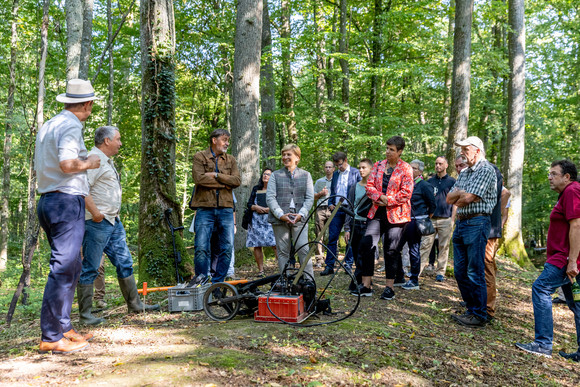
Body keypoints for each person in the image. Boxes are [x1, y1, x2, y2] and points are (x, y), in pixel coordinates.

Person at [36, 79, 101, 353]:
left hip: (50, 200)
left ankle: (63, 327)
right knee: (63, 267)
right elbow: (66, 164)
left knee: (72, 265)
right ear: (86, 104)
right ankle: (51, 337)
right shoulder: (72, 125)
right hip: (64, 200)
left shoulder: (51, 124)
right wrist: (90, 163)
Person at [78, 126, 159, 325]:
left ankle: (135, 304)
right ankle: (86, 315)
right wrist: (96, 214)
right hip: (96, 223)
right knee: (91, 267)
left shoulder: (106, 161)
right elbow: (81, 188)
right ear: (106, 141)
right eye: (118, 139)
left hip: (113, 222)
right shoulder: (93, 159)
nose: (120, 143)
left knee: (124, 261)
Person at [516, 160, 580, 361]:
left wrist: (572, 261)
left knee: (541, 288)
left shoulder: (572, 191)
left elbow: (576, 225)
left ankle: (543, 344)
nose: (549, 177)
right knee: (577, 303)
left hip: (564, 258)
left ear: (566, 177)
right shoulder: (568, 193)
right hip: (568, 258)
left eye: (553, 174)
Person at [446, 136, 497, 327]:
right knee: (460, 271)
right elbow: (449, 199)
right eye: (462, 149)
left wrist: (462, 195)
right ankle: (471, 308)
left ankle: (479, 314)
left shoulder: (486, 170)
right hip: (461, 223)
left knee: (475, 270)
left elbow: (466, 198)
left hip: (477, 223)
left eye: (466, 149)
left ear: (477, 150)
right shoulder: (465, 172)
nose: (462, 153)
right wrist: (461, 195)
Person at [358, 136, 414, 299]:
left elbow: (406, 192)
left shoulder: (406, 168)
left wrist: (388, 200)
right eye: (387, 148)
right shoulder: (378, 165)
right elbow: (369, 186)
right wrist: (379, 198)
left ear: (400, 151)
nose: (388, 152)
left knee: (391, 249)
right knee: (367, 244)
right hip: (376, 212)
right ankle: (366, 285)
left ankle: (389, 287)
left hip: (397, 215)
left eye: (392, 149)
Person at [191, 129, 241, 283]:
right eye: (224, 140)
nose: (227, 143)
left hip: (226, 209)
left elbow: (237, 181)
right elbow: (199, 179)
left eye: (228, 140)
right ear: (214, 140)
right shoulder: (200, 157)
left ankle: (217, 284)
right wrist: (225, 184)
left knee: (226, 248)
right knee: (201, 248)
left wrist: (217, 175)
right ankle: (202, 282)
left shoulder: (231, 159)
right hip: (204, 209)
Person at [266, 144, 314, 279]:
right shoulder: (275, 175)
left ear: (297, 157)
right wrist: (280, 215)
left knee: (303, 249)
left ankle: (309, 283)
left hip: (300, 218)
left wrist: (302, 214)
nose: (285, 157)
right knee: (283, 252)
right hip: (280, 219)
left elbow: (310, 198)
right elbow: (270, 197)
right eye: (284, 154)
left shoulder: (306, 175)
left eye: (289, 155)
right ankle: (284, 282)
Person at [321, 152, 361, 276]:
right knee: (332, 237)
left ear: (346, 160)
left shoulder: (355, 172)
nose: (339, 167)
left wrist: (357, 207)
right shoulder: (336, 174)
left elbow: (360, 189)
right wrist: (330, 203)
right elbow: (333, 190)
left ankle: (348, 264)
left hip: (351, 208)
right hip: (337, 208)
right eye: (337, 165)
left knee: (349, 237)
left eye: (340, 164)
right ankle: (329, 266)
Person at [420, 156, 456, 282]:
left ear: (446, 165)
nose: (437, 166)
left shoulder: (452, 181)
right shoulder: (429, 182)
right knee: (425, 244)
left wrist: (452, 219)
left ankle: (440, 272)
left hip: (445, 219)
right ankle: (417, 270)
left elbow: (455, 202)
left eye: (440, 163)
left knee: (443, 247)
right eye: (436, 164)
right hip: (430, 219)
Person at [401, 160, 436, 290]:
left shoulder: (424, 185)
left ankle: (414, 279)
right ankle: (399, 276)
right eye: (409, 167)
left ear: (420, 171)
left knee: (413, 249)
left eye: (414, 168)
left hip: (416, 222)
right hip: (402, 220)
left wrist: (425, 218)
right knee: (395, 247)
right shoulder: (405, 184)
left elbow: (433, 205)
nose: (410, 170)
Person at [485, 163, 511, 322]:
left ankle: (489, 309)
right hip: (482, 228)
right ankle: (480, 301)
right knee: (484, 266)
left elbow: (506, 193)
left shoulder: (490, 172)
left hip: (491, 230)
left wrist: (496, 218)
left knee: (487, 265)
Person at [343, 158, 373, 293]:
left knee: (365, 254)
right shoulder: (354, 187)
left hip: (369, 224)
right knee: (356, 254)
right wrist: (347, 228)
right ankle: (360, 281)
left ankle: (361, 282)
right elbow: (349, 207)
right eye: (359, 167)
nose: (361, 170)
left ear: (371, 169)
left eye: (364, 167)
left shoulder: (374, 188)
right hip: (355, 223)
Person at [245, 169, 277, 277]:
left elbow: (279, 204)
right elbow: (249, 204)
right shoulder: (256, 188)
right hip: (256, 221)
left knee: (275, 244)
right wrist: (255, 207)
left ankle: (281, 269)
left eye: (268, 174)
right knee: (256, 245)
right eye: (264, 174)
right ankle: (261, 270)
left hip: (270, 220)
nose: (266, 176)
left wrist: (269, 209)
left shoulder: (275, 189)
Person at [313, 161, 335, 263]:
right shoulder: (319, 181)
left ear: (334, 169)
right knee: (319, 234)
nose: (328, 169)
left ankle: (332, 259)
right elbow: (313, 196)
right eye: (326, 167)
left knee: (333, 234)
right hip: (320, 209)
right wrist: (321, 193)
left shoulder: (337, 180)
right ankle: (319, 259)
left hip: (333, 210)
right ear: (324, 168)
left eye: (330, 167)